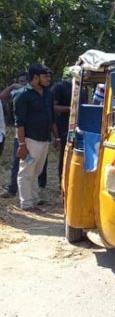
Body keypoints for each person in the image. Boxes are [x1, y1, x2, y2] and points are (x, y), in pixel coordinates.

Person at [14, 63, 60, 212]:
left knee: (37, 171)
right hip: (29, 139)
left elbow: (51, 117)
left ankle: (34, 199)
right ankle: (27, 204)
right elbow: (19, 123)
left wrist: (56, 137)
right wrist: (22, 144)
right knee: (26, 172)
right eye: (45, 76)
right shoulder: (22, 95)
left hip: (44, 138)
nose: (49, 78)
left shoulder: (48, 93)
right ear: (35, 77)